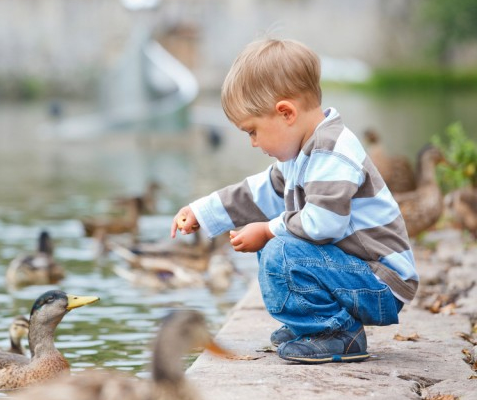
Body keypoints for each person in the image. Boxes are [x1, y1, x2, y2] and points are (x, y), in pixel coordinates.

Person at [170, 38, 418, 364]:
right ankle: (314, 325)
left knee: (280, 248)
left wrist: (269, 230)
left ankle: (335, 333)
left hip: (381, 282)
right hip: (356, 273)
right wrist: (204, 210)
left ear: (285, 112)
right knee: (273, 242)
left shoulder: (332, 151)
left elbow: (324, 224)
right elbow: (258, 193)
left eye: (252, 131)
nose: (253, 143)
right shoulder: (300, 154)